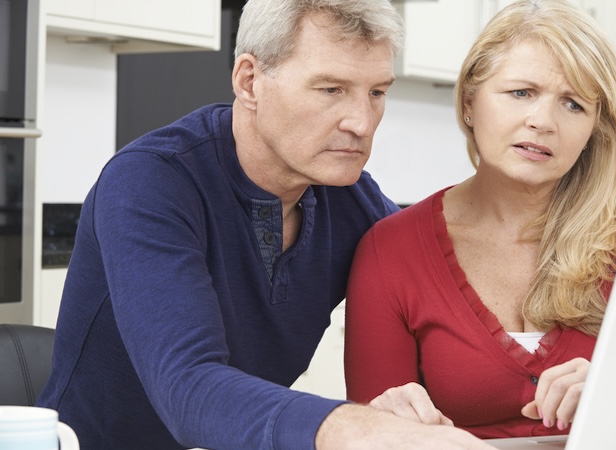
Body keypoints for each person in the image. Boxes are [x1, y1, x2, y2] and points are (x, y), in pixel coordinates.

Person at [35, 0, 495, 449]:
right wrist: (355, 427)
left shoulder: (351, 199)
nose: (362, 123)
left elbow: (453, 293)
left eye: (376, 92)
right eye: (331, 89)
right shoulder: (148, 181)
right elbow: (188, 387)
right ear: (250, 81)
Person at [344, 0, 616, 441]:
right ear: (469, 102)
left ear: (594, 128)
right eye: (521, 93)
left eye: (573, 104)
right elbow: (375, 432)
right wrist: (395, 423)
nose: (543, 121)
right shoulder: (390, 250)